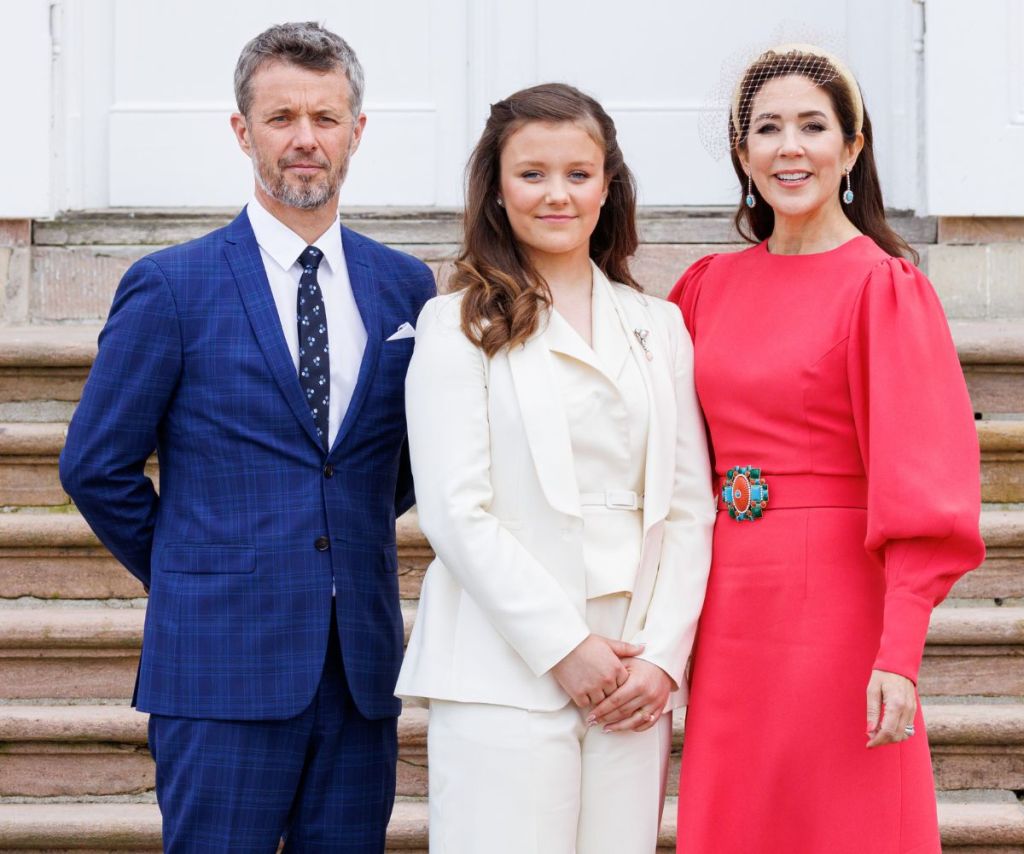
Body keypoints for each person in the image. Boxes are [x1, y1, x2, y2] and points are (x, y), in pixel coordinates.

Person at [59, 22, 434, 853]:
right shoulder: (170, 286)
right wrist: (197, 570)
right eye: (281, 117)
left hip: (359, 675)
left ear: (357, 132)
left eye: (326, 118)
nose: (306, 139)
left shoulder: (405, 286)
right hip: (218, 667)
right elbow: (95, 465)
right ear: (243, 131)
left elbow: (399, 465)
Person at [665, 45, 986, 853]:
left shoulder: (885, 286)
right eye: (767, 129)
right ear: (743, 154)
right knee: (739, 818)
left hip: (841, 607)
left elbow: (928, 478)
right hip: (729, 601)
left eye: (813, 126)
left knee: (845, 823)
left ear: (852, 147)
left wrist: (900, 650)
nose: (789, 147)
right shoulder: (705, 287)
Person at [394, 82, 715, 854]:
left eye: (579, 173)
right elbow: (453, 509)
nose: (557, 194)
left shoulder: (659, 325)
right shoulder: (458, 323)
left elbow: (688, 504)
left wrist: (665, 658)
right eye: (531, 173)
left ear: (609, 186)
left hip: (634, 671)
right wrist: (564, 649)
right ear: (498, 192)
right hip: (506, 665)